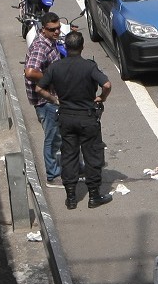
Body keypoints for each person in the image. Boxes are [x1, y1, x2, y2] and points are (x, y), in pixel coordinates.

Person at [38, 31, 113, 210]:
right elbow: (107, 84)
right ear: (82, 47)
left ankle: (71, 197)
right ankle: (94, 196)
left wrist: (55, 100)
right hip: (87, 118)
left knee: (69, 155)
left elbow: (40, 88)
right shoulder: (89, 66)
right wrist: (102, 97)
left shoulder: (56, 67)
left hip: (66, 117)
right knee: (92, 156)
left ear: (66, 47)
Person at [23, 12, 64, 185]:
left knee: (58, 135)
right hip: (45, 101)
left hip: (52, 96)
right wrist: (49, 78)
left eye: (58, 28)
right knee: (52, 136)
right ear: (43, 29)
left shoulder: (51, 42)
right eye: (52, 29)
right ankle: (52, 174)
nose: (56, 32)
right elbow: (30, 72)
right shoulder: (41, 47)